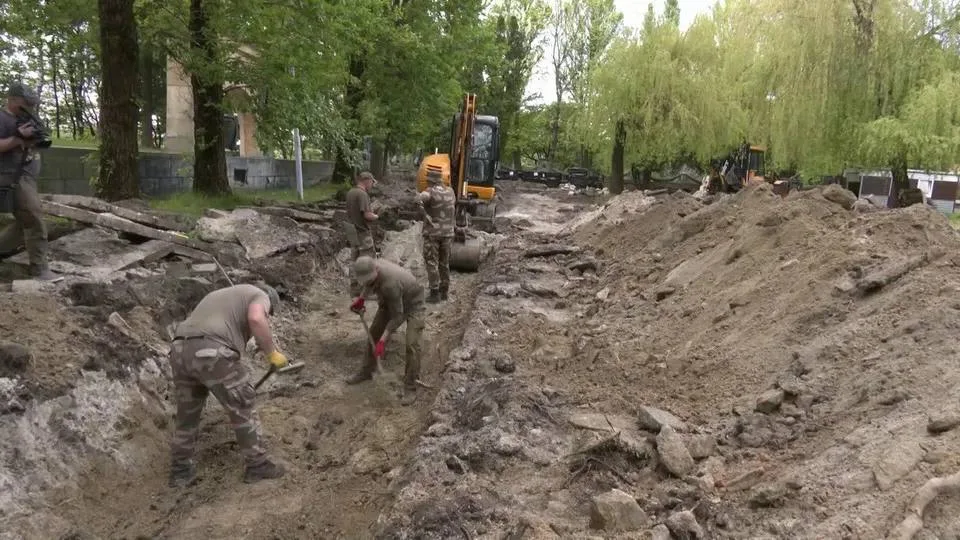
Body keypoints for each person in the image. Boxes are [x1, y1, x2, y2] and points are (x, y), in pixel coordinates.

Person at [168, 282, 289, 487]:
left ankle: (180, 472)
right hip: (212, 351)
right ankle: (257, 465)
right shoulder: (260, 295)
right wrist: (272, 353)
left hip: (179, 350)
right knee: (242, 404)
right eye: (270, 313)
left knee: (187, 415)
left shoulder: (224, 295)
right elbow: (256, 318)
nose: (268, 315)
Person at [0, 82, 60, 282]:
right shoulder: (2, 118)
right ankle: (40, 269)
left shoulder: (25, 118)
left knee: (23, 222)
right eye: (25, 104)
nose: (29, 108)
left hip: (26, 176)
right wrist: (17, 138)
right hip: (12, 177)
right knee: (34, 219)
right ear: (13, 100)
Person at [347, 256, 425, 405]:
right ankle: (367, 370)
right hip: (391, 301)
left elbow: (397, 316)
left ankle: (410, 386)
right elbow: (370, 283)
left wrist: (383, 340)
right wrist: (361, 298)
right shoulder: (372, 269)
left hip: (414, 303)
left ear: (376, 269)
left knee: (412, 344)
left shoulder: (390, 284)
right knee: (374, 333)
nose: (368, 281)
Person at [418, 169, 455, 302]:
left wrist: (420, 204)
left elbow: (421, 198)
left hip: (433, 234)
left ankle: (434, 293)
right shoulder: (451, 191)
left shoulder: (430, 191)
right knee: (444, 263)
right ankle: (444, 292)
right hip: (448, 233)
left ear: (430, 180)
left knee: (431, 262)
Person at [345, 171, 379, 295]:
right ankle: (367, 290)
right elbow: (367, 215)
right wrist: (377, 216)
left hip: (351, 230)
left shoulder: (350, 193)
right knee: (368, 261)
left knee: (354, 259)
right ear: (367, 180)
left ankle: (354, 287)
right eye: (371, 183)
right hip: (362, 232)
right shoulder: (362, 194)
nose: (371, 186)